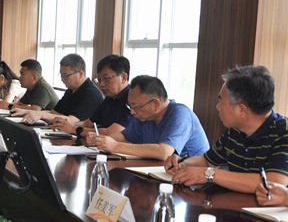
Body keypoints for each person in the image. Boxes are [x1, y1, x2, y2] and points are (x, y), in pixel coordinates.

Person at [165, 66, 288, 194]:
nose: (217, 107)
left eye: (221, 102)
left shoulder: (284, 132)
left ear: (241, 109)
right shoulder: (234, 131)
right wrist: (181, 163)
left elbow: (273, 184)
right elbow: (207, 161)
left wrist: (210, 174)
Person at [93, 75, 209, 160]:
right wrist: (101, 141)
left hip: (194, 179)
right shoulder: (145, 117)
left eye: (136, 107)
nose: (132, 112)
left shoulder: (180, 114)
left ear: (156, 104)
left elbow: (164, 152)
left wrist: (115, 146)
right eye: (130, 106)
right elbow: (125, 137)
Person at [51, 55, 131, 137]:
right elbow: (88, 123)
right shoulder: (110, 98)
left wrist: (74, 129)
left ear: (123, 77)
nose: (101, 84)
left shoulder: (131, 99)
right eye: (99, 79)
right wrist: (65, 124)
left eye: (106, 78)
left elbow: (112, 133)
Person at [12, 53, 103, 124]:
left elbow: (73, 120)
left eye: (66, 76)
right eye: (61, 75)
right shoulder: (70, 90)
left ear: (80, 74)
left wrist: (41, 114)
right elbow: (54, 113)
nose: (62, 79)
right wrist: (25, 112)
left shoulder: (90, 93)